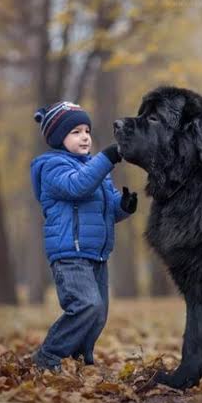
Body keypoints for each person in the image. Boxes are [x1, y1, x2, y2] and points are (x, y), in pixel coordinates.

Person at [29, 101, 137, 371]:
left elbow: (108, 208)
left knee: (98, 314)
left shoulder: (95, 169)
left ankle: (77, 360)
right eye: (75, 131)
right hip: (70, 253)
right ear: (58, 138)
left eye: (87, 130)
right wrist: (107, 158)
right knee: (86, 306)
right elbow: (77, 187)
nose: (85, 137)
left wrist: (123, 206)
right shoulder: (52, 167)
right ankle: (49, 354)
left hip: (96, 254)